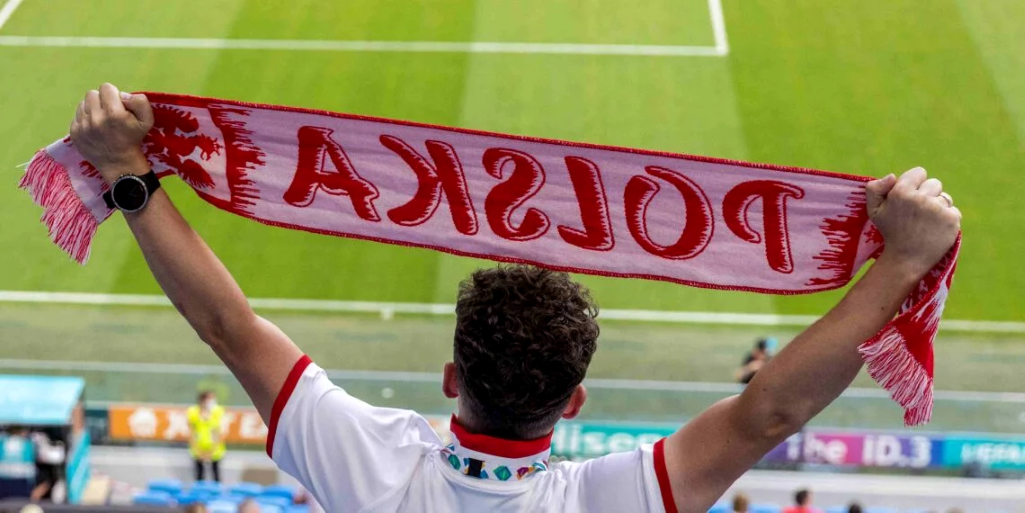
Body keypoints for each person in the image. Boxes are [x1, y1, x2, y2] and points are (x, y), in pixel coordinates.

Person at [69, 83, 962, 512]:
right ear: (574, 400)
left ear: (451, 377)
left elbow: (228, 326)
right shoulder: (606, 498)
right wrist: (900, 264)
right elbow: (769, 412)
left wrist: (125, 172)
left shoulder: (370, 467)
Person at [186, 391, 225, 482]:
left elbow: (218, 432)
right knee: (199, 475)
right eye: (209, 399)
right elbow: (191, 432)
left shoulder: (217, 411)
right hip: (198, 449)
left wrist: (211, 451)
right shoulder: (193, 412)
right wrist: (198, 451)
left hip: (215, 450)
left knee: (216, 474)